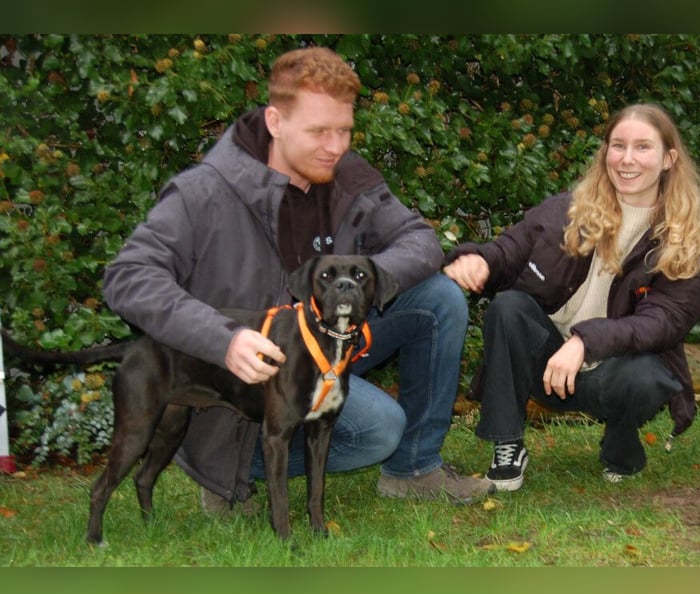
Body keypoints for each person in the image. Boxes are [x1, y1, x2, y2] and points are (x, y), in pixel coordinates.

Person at [103, 46, 494, 513]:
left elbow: (419, 240)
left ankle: (414, 469)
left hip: (328, 346)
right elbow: (128, 277)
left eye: (345, 131)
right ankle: (235, 473)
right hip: (240, 385)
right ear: (275, 122)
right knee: (379, 429)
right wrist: (223, 339)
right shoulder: (203, 192)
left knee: (439, 298)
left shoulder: (347, 177)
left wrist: (363, 289)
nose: (335, 146)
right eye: (319, 132)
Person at [444, 103, 700, 490]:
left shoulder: (697, 246)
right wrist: (480, 260)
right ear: (605, 152)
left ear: (668, 159)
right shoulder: (566, 210)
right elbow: (508, 251)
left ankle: (620, 437)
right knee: (509, 307)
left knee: (646, 376)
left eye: (643, 147)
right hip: (545, 366)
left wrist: (584, 341)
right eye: (618, 145)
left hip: (614, 370)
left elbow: (660, 324)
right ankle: (508, 445)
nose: (627, 159)